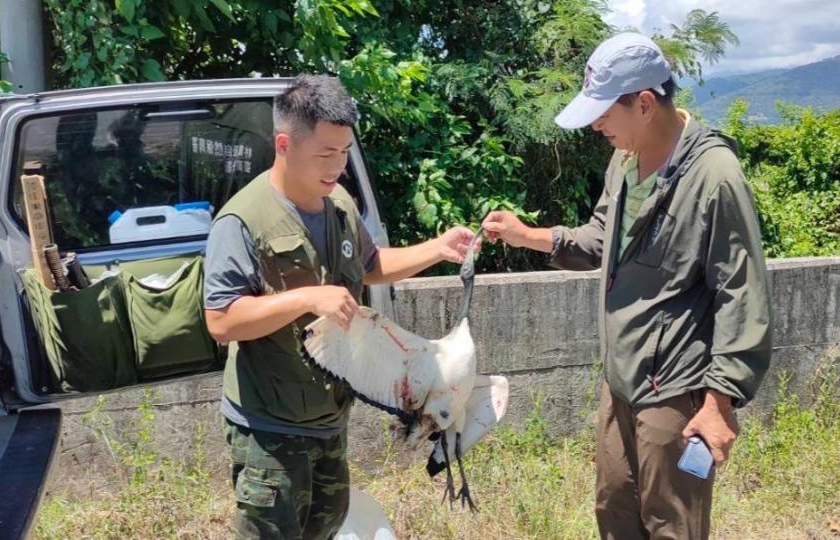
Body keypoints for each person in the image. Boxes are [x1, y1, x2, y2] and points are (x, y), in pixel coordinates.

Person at [482, 33, 773, 539]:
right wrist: (527, 236)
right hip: (621, 379)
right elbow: (601, 239)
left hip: (676, 390)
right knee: (614, 511)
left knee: (671, 523)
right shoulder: (625, 160)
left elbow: (741, 292)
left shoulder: (714, 175)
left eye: (602, 112)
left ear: (643, 103)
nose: (596, 124)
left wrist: (720, 401)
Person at [203, 75, 477, 539]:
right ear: (285, 145)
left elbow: (371, 264)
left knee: (325, 528)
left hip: (329, 420)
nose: (338, 165)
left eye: (345, 151)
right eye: (325, 154)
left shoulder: (340, 204)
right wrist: (307, 297)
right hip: (270, 428)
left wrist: (437, 248)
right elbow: (221, 320)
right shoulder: (242, 220)